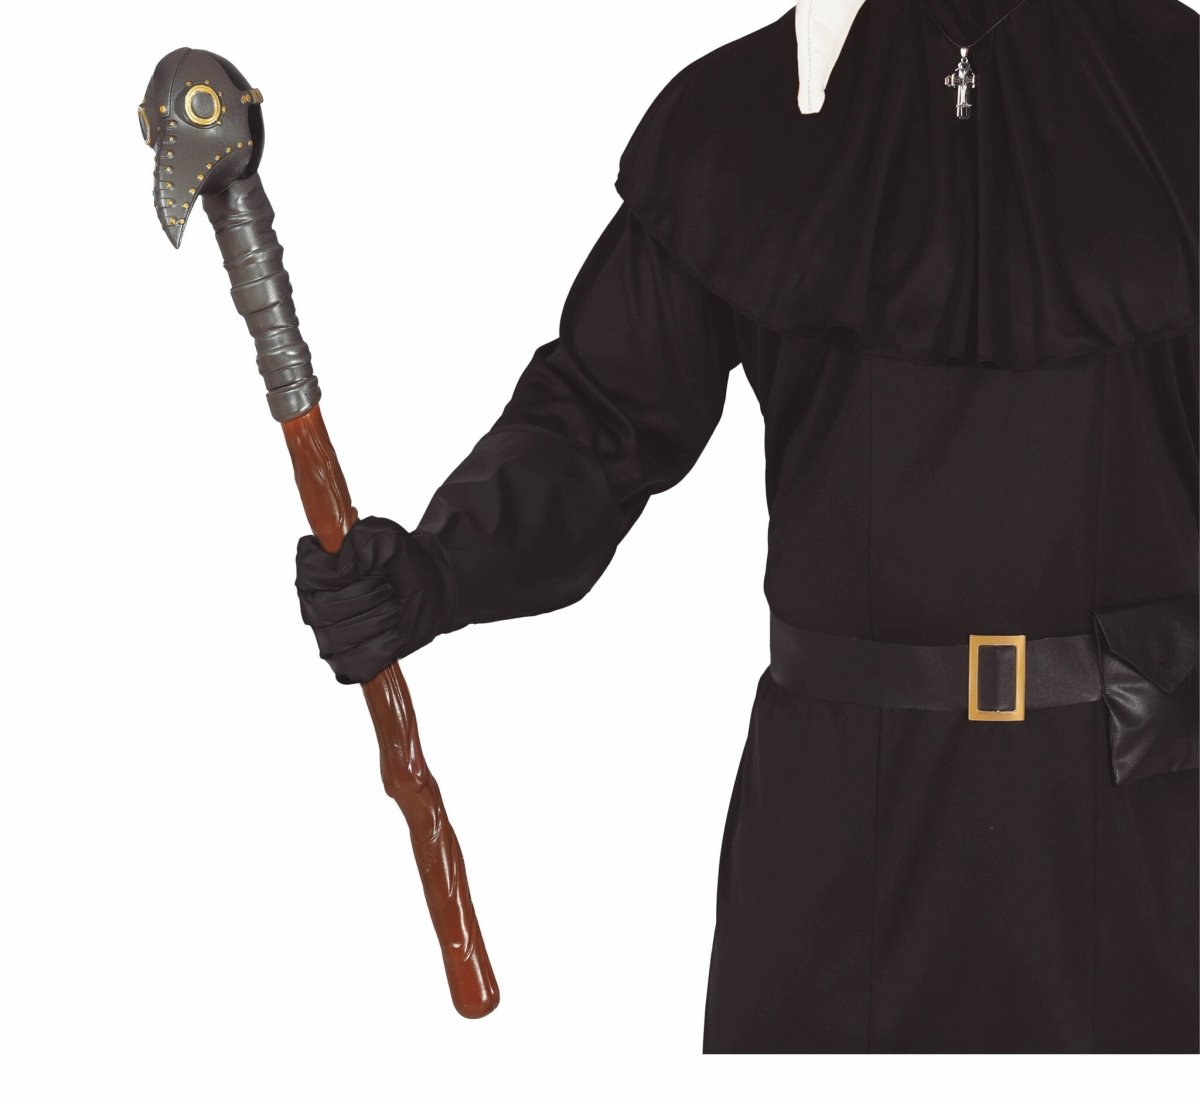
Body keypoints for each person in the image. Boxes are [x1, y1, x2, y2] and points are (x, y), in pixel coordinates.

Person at [293, 0, 1199, 1052]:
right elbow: (600, 416)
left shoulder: (1183, 97)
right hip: (840, 824)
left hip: (1136, 813)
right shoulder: (744, 120)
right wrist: (437, 569)